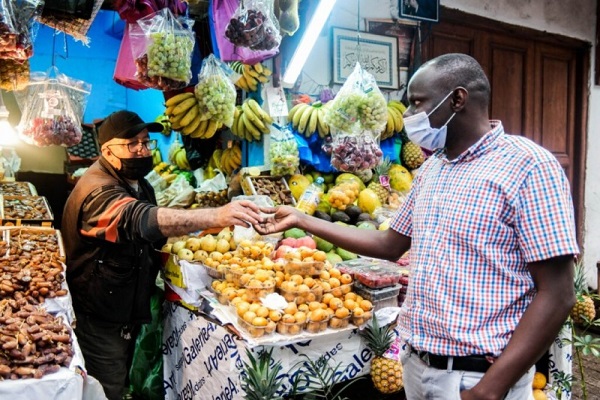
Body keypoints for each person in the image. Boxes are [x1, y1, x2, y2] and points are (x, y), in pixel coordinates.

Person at [254, 53, 579, 400]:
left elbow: (558, 294)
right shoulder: (432, 170)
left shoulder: (528, 166)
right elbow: (389, 244)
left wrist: (490, 388)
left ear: (457, 99)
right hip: (419, 368)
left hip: (478, 378)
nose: (408, 115)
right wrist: (303, 219)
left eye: (417, 103)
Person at [62, 110, 263, 400]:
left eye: (146, 142)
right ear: (107, 150)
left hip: (123, 306)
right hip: (100, 314)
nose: (143, 150)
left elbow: (154, 231)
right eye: (132, 144)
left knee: (120, 377)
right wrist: (214, 215)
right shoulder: (98, 191)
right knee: (106, 388)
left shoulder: (137, 182)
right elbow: (140, 220)